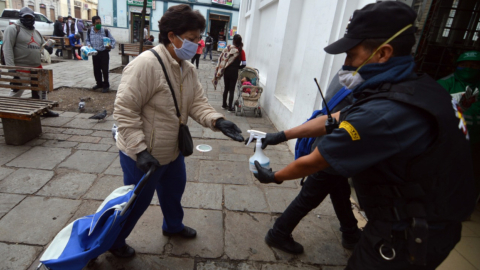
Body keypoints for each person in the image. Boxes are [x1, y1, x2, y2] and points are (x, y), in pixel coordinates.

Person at [252, 2, 475, 269]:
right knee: (334, 187)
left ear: (383, 53)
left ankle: (294, 231)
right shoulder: (414, 85)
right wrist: (281, 135)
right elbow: (335, 118)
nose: (345, 64)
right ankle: (347, 231)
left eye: (351, 55)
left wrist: (274, 176)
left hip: (411, 232)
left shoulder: (386, 112)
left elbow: (315, 161)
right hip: (422, 215)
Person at [111, 4, 244, 258]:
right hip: (144, 156)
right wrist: (139, 151)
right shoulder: (145, 65)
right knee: (135, 203)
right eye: (192, 39)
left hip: (172, 150)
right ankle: (115, 241)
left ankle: (173, 226)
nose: (197, 44)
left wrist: (217, 120)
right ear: (172, 36)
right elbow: (125, 111)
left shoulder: (187, 67)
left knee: (174, 191)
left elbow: (197, 103)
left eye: (198, 39)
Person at [258, 72, 361, 255]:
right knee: (310, 196)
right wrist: (276, 175)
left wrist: (280, 136)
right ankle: (279, 233)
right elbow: (331, 121)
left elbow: (331, 118)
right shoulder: (356, 81)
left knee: (339, 189)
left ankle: (350, 231)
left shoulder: (348, 76)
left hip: (331, 148)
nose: (347, 61)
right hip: (333, 151)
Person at [437, 51, 480, 207]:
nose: (468, 68)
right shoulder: (446, 83)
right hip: (450, 138)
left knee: (472, 172)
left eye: (473, 65)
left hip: (476, 140)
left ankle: (466, 204)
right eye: (464, 65)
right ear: (457, 66)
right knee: (446, 170)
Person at [3, 7, 58, 117]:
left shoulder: (36, 32)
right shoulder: (13, 29)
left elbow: (42, 46)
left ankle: (44, 110)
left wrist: (49, 47)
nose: (29, 19)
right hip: (21, 67)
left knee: (41, 91)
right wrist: (12, 70)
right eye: (26, 17)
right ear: (21, 17)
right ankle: (6, 112)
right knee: (16, 92)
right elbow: (7, 49)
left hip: (36, 67)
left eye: (31, 17)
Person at [212, 34, 246, 112]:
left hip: (227, 71)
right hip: (234, 73)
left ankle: (224, 105)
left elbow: (222, 58)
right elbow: (244, 64)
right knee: (232, 89)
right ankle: (230, 107)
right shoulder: (241, 51)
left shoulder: (228, 49)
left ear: (233, 40)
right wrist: (238, 67)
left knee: (226, 89)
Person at [86, 15, 116, 93]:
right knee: (96, 70)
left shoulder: (105, 31)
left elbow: (113, 40)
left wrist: (111, 46)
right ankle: (99, 83)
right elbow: (87, 40)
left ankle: (106, 85)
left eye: (100, 22)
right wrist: (88, 44)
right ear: (93, 23)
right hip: (95, 53)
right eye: (97, 23)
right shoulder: (89, 31)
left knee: (105, 70)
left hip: (104, 53)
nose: (99, 24)